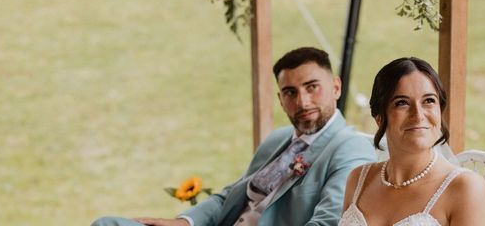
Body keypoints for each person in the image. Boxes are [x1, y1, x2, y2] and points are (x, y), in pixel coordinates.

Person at [92, 46, 376, 226]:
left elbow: (328, 223)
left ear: (336, 88)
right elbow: (231, 196)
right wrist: (185, 222)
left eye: (312, 87)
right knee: (107, 225)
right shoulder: (277, 140)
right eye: (290, 93)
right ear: (280, 100)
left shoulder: (350, 148)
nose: (302, 102)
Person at [339, 57, 485, 226]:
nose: (418, 115)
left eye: (429, 101)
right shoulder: (358, 179)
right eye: (402, 103)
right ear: (380, 118)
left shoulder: (466, 188)